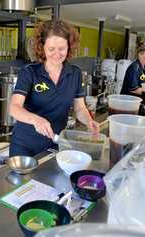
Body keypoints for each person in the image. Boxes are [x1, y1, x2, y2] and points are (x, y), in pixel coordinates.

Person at [8, 19, 100, 157]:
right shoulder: (29, 72)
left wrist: (89, 121)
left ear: (69, 47)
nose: (57, 54)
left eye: (62, 48)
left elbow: (80, 108)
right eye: (51, 49)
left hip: (55, 143)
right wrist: (36, 120)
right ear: (42, 47)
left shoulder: (75, 73)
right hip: (25, 145)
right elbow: (14, 108)